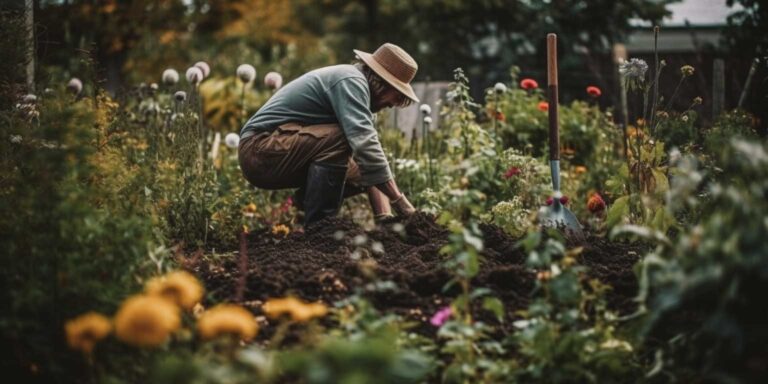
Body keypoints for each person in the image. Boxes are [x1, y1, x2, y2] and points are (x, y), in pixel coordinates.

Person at [238, 42, 418, 226]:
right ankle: (320, 228)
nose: (393, 105)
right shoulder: (350, 81)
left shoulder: (359, 93)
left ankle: (304, 213)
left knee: (367, 169)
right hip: (259, 150)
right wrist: (400, 201)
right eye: (396, 96)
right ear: (381, 83)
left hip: (279, 151)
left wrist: (385, 219)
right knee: (344, 137)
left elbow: (372, 164)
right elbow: (365, 145)